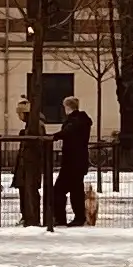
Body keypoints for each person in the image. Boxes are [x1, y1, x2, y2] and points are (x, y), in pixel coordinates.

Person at [51, 96, 93, 229]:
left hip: (72, 161)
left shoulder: (75, 121)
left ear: (67, 107)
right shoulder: (83, 120)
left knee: (59, 190)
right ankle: (78, 217)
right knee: (76, 190)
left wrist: (55, 136)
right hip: (78, 161)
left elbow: (68, 132)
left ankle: (62, 218)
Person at [11, 104, 50, 229]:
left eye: (20, 114)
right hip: (26, 164)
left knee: (29, 190)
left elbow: (36, 145)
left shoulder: (36, 125)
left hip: (29, 164)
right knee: (25, 190)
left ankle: (31, 217)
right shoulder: (34, 125)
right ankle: (27, 216)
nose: (19, 117)